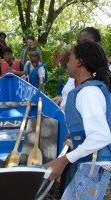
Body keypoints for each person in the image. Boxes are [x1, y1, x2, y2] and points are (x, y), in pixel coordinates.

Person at [44, 41, 111, 199]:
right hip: (94, 164)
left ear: (79, 62)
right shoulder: (92, 89)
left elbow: (101, 136)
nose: (67, 63)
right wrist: (75, 137)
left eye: (70, 59)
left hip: (95, 166)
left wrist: (64, 160)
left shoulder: (88, 93)